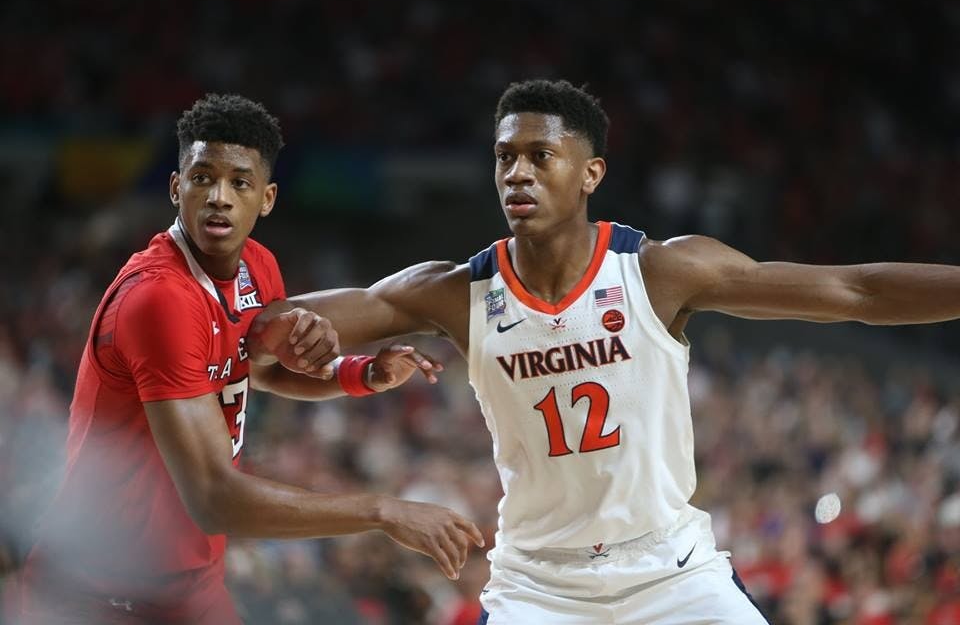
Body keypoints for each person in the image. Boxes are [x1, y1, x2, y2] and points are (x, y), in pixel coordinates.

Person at [253, 79, 960, 624]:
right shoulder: (450, 292)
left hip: (672, 570)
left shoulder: (660, 270)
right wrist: (299, 332)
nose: (518, 174)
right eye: (505, 159)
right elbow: (262, 344)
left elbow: (855, 290)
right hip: (539, 582)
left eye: (539, 156)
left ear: (590, 173)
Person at [17, 94, 484, 625]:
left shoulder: (257, 268)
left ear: (266, 198)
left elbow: (254, 371)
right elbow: (215, 498)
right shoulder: (158, 298)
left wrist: (360, 374)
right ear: (176, 188)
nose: (219, 196)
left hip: (188, 583)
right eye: (202, 178)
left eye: (239, 182)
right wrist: (382, 511)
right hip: (97, 587)